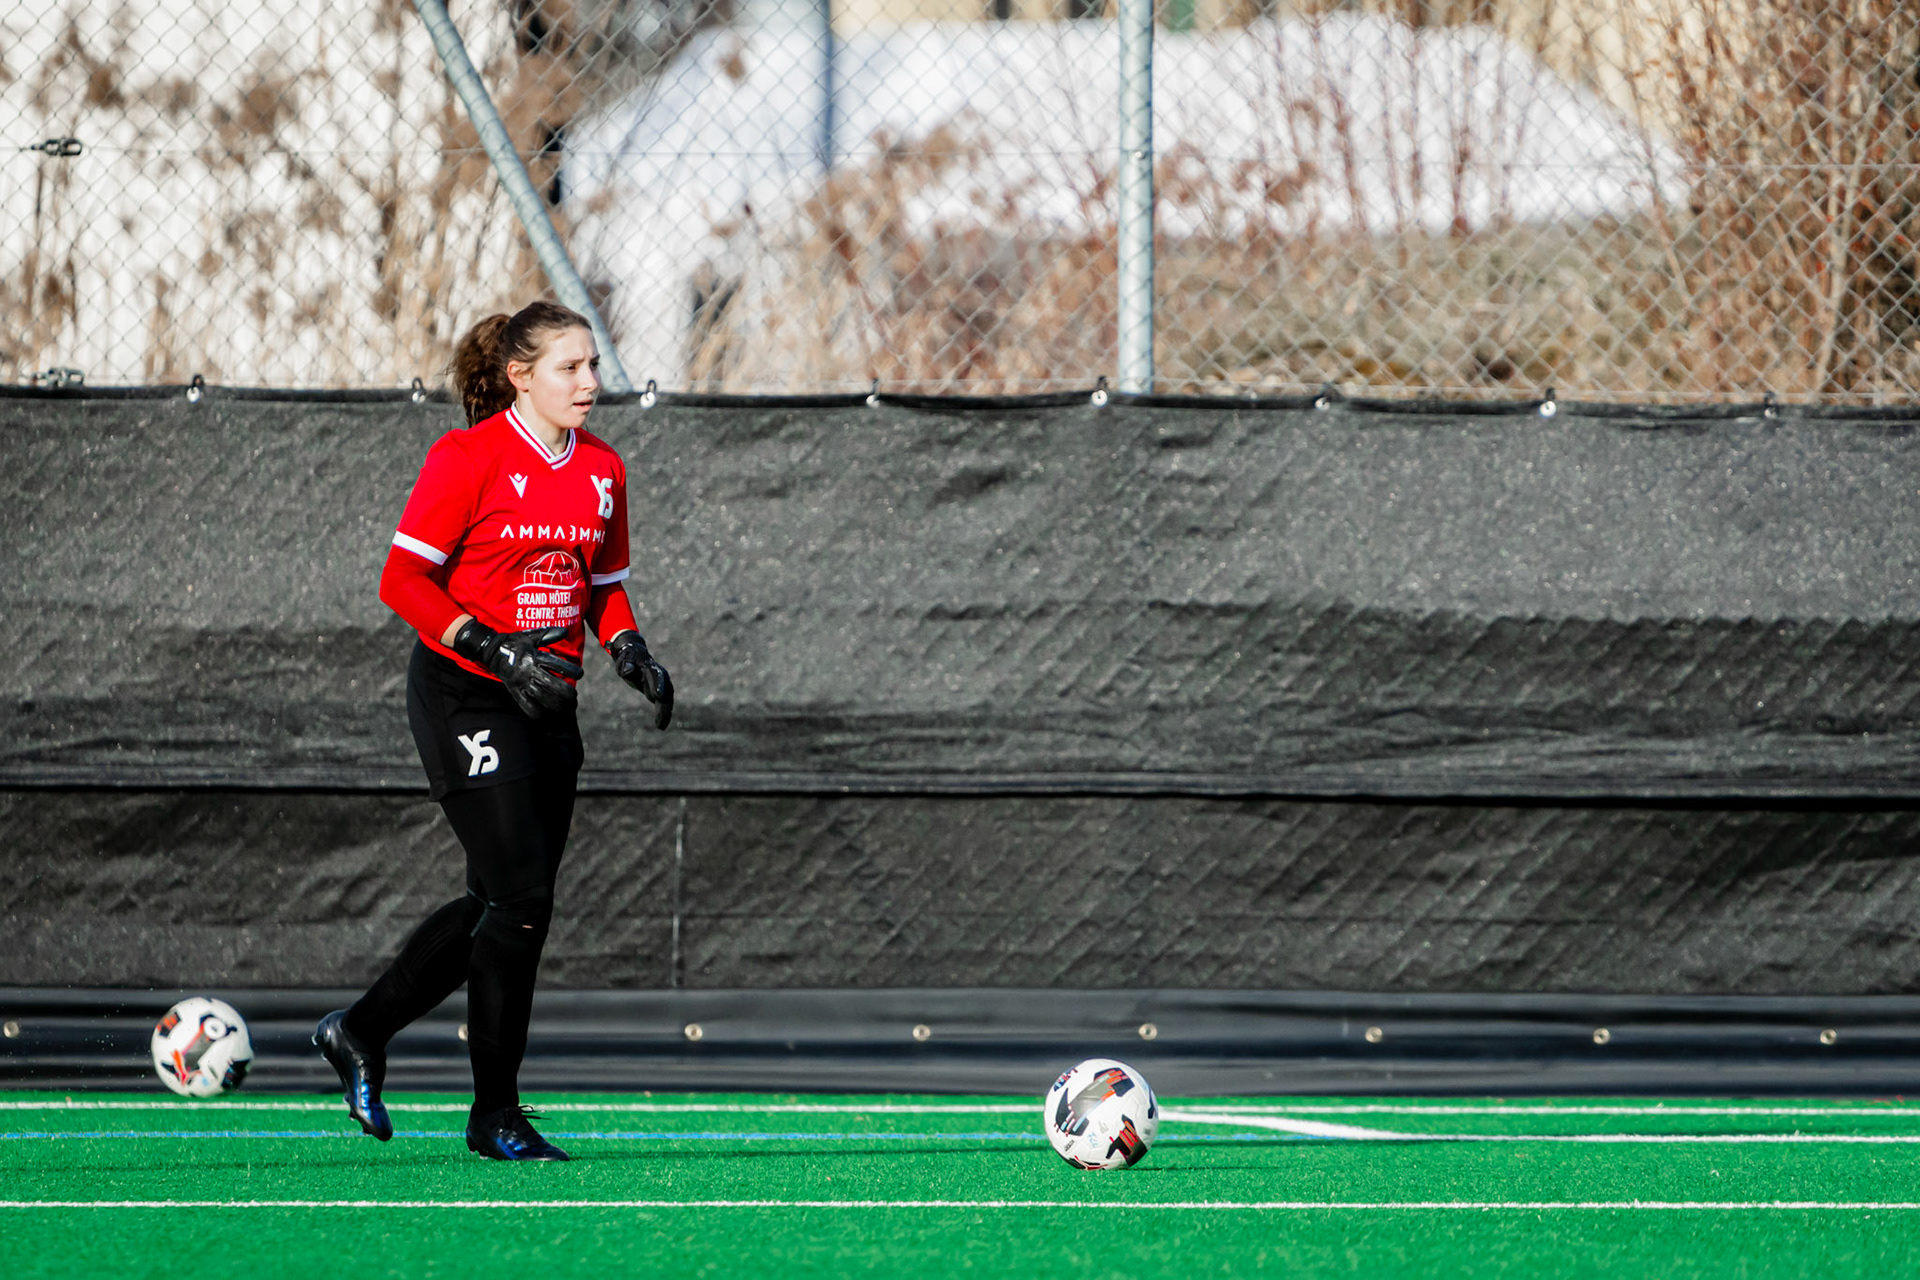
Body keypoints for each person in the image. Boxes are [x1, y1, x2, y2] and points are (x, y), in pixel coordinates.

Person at [312, 301, 672, 1161]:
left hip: (551, 703)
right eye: (570, 368)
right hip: (466, 693)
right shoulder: (468, 457)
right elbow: (403, 580)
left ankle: (359, 1031)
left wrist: (629, 649)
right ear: (521, 377)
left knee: (496, 901)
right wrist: (494, 648)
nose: (591, 382)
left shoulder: (603, 469)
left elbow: (601, 583)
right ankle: (494, 1114)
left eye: (592, 366)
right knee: (521, 899)